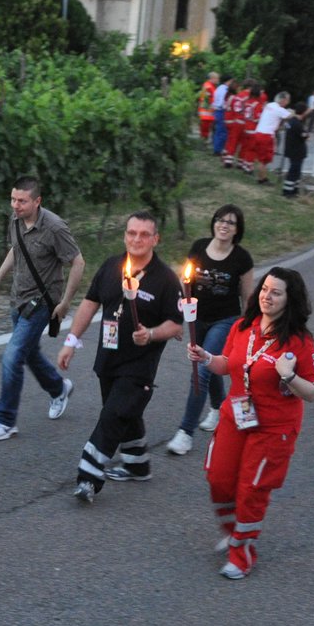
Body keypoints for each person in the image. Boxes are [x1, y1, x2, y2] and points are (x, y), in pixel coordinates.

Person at [188, 267, 314, 579]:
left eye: (276, 292)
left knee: (252, 488)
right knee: (219, 477)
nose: (267, 296)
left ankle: (242, 553)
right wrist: (206, 358)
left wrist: (289, 375)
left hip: (274, 428)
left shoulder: (299, 341)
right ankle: (235, 530)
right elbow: (229, 365)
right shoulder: (242, 327)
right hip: (236, 417)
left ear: (290, 300)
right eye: (264, 289)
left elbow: (313, 392)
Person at [56, 211, 184, 502]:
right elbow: (90, 304)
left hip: (140, 366)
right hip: (109, 358)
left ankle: (88, 477)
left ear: (155, 239)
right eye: (131, 233)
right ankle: (138, 466)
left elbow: (176, 323)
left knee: (112, 416)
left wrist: (150, 334)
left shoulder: (165, 279)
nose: (136, 239)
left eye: (143, 234)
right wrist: (71, 341)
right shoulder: (112, 266)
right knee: (125, 412)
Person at [0, 175, 85, 440]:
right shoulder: (15, 219)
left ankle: (5, 421)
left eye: (22, 201)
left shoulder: (55, 227)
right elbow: (17, 249)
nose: (15, 205)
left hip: (41, 303)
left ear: (37, 201)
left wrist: (64, 303)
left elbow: (78, 262)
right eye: (13, 199)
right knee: (29, 353)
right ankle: (59, 388)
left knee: (12, 357)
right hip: (18, 299)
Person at [167, 205, 255, 456]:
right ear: (214, 222)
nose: (224, 225)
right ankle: (218, 407)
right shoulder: (198, 247)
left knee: (201, 369)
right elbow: (186, 284)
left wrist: (249, 328)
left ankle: (185, 432)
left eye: (231, 222)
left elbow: (248, 297)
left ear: (238, 230)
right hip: (198, 318)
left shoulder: (242, 258)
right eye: (220, 220)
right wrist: (178, 316)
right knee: (211, 363)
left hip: (225, 321)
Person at [247, 90, 292, 184]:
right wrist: (293, 112)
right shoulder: (279, 109)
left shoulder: (270, 105)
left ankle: (263, 177)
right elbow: (291, 116)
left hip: (259, 132)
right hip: (266, 135)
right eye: (288, 100)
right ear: (283, 100)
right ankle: (261, 179)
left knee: (264, 158)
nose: (288, 103)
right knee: (262, 160)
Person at [280, 104, 310, 197]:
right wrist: (307, 135)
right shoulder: (297, 124)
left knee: (296, 171)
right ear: (303, 112)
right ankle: (288, 191)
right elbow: (304, 136)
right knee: (294, 171)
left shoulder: (291, 121)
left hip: (291, 150)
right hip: (297, 151)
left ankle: (294, 189)